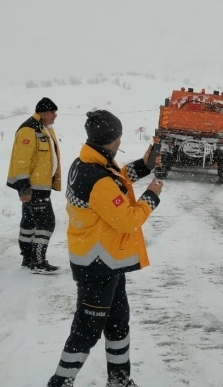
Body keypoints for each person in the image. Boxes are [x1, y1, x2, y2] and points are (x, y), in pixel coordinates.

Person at [46, 110, 163, 387]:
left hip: (108, 263)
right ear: (109, 141)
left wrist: (144, 165)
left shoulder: (87, 162)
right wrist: (152, 197)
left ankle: (120, 380)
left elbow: (116, 180)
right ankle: (60, 383)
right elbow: (127, 219)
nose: (120, 142)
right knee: (86, 331)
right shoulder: (96, 178)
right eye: (118, 138)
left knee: (118, 323)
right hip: (96, 266)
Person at [6, 97, 61, 273]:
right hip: (34, 187)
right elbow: (21, 161)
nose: (55, 115)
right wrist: (24, 187)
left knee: (29, 223)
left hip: (40, 186)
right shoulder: (28, 130)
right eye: (53, 112)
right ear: (43, 113)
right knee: (46, 223)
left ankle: (28, 258)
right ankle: (37, 261)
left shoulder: (44, 128)